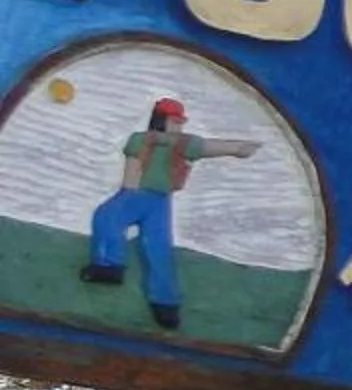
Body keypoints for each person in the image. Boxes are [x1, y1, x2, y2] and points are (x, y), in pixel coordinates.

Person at [79, 96, 260, 330]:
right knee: (117, 223)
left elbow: (208, 146)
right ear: (160, 120)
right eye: (174, 121)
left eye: (179, 123)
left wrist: (237, 148)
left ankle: (156, 297)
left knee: (147, 241)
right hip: (142, 195)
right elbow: (135, 165)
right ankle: (118, 273)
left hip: (153, 198)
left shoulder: (178, 143)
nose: (177, 127)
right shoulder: (149, 140)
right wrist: (237, 149)